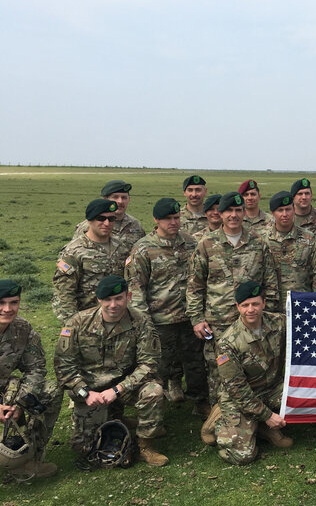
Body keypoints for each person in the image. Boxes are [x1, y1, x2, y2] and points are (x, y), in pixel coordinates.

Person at [53, 275, 170, 467]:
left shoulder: (141, 322)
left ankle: (145, 446)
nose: (113, 304)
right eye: (107, 299)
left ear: (128, 296)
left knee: (153, 391)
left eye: (118, 298)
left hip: (124, 386)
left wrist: (118, 390)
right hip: (91, 390)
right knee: (83, 448)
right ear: (98, 299)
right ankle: (115, 417)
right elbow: (63, 367)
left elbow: (148, 364)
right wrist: (85, 393)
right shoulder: (77, 323)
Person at [186, 192, 280, 409]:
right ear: (220, 213)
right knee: (218, 371)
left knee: (255, 369)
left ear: (244, 213)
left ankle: (256, 418)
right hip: (218, 322)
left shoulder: (258, 242)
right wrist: (197, 319)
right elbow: (194, 286)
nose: (234, 215)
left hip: (252, 321)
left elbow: (270, 282)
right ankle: (219, 418)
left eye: (238, 211)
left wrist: (270, 314)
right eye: (229, 211)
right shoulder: (206, 244)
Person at [125, 198, 209, 414]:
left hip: (189, 317)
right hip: (160, 320)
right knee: (160, 366)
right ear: (156, 220)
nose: (173, 222)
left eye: (176, 218)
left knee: (195, 362)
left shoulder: (190, 243)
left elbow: (199, 279)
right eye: (167, 219)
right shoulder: (143, 249)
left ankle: (200, 402)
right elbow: (136, 290)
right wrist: (145, 324)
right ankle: (158, 409)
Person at [210, 281, 291, 464]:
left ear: (264, 302)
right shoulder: (228, 342)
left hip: (272, 388)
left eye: (255, 304)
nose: (250, 310)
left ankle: (259, 426)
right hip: (240, 396)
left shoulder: (279, 322)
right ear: (238, 307)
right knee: (242, 456)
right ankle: (219, 418)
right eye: (245, 305)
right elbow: (237, 389)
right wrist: (268, 416)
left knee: (302, 399)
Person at [0, 279, 62, 478]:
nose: (8, 309)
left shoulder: (22, 329)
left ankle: (28, 459)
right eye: (1, 303)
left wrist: (20, 404)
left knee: (50, 391)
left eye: (14, 302)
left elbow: (35, 368)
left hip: (5, 393)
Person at [53, 199, 128, 323]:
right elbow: (64, 294)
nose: (107, 223)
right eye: (101, 218)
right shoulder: (74, 251)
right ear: (90, 220)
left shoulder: (121, 247)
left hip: (117, 318)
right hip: (87, 321)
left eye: (111, 219)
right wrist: (72, 324)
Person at [264, 191, 316, 308]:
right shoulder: (263, 240)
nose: (285, 214)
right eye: (280, 210)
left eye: (288, 209)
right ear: (272, 213)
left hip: (302, 305)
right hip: (271, 308)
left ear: (293, 210)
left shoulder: (309, 239)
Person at [73, 180, 145, 255]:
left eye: (124, 198)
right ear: (105, 199)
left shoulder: (136, 225)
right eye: (115, 197)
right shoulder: (87, 227)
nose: (120, 201)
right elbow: (74, 252)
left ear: (129, 199)